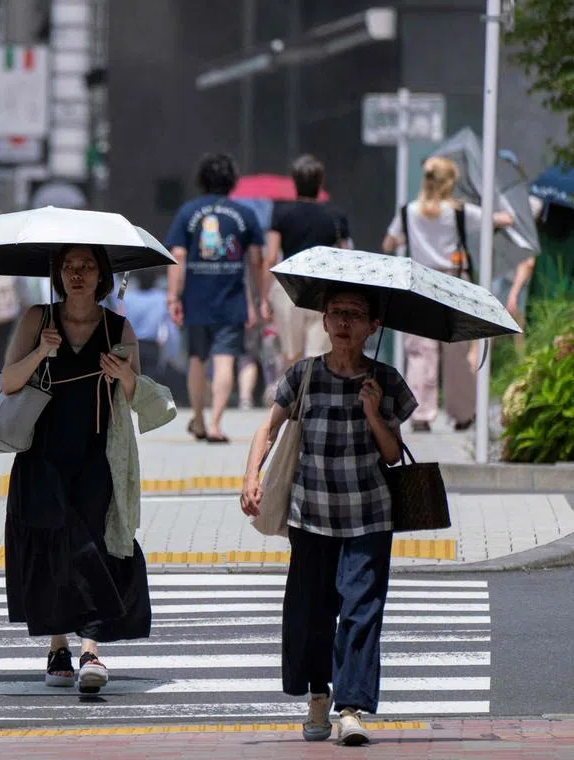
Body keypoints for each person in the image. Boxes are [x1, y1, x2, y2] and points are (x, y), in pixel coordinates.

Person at [241, 285, 417, 746]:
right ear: (323, 320)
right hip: (311, 518)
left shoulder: (386, 380)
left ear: (372, 326)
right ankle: (319, 695)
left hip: (369, 517)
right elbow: (269, 426)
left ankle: (351, 708)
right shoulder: (303, 375)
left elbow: (394, 455)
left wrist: (374, 412)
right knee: (312, 616)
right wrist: (250, 476)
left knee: (361, 613)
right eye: (336, 313)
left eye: (355, 315)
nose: (344, 323)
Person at [1, 244, 153, 696]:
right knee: (51, 547)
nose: (77, 275)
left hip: (97, 453)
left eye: (87, 266)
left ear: (103, 275)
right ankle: (56, 645)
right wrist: (38, 355)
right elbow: (7, 381)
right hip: (41, 455)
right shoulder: (37, 320)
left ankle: (90, 648)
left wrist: (123, 374)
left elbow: (136, 395)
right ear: (58, 274)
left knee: (94, 546)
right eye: (69, 267)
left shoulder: (118, 327)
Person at [381, 156, 513, 432]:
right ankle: (463, 413)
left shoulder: (409, 211)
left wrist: (411, 237)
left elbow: (389, 242)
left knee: (419, 351)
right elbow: (504, 220)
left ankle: (420, 413)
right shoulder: (459, 212)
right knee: (456, 349)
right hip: (453, 280)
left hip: (418, 283)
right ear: (449, 183)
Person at [165, 153, 264, 443]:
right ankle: (217, 424)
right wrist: (259, 299)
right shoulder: (245, 214)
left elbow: (178, 256)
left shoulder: (187, 212)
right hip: (231, 298)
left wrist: (173, 296)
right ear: (232, 180)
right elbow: (256, 260)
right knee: (225, 359)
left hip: (196, 299)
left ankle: (198, 419)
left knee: (197, 358)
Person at [260, 155, 351, 371]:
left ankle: (293, 401)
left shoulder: (281, 213)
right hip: (323, 289)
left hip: (288, 288)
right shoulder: (336, 215)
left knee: (291, 355)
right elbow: (346, 257)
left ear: (294, 182)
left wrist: (264, 297)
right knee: (317, 355)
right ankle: (312, 400)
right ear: (321, 182)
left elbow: (271, 256)